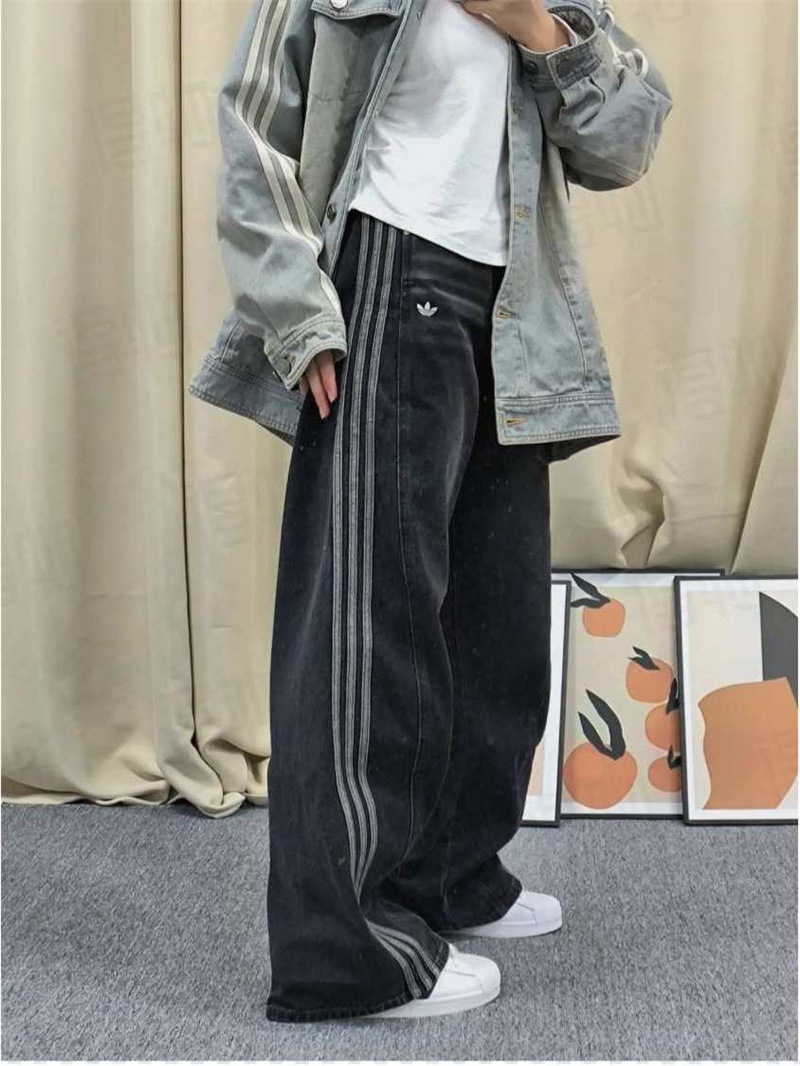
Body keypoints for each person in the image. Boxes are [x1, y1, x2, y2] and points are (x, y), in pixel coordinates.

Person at [192, 0, 672, 1024]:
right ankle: (344, 954)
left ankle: (450, 878)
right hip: (383, 282)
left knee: (497, 629)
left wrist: (534, 29)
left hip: (512, 309)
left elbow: (626, 141)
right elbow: (254, 126)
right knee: (371, 635)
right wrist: (297, 313)